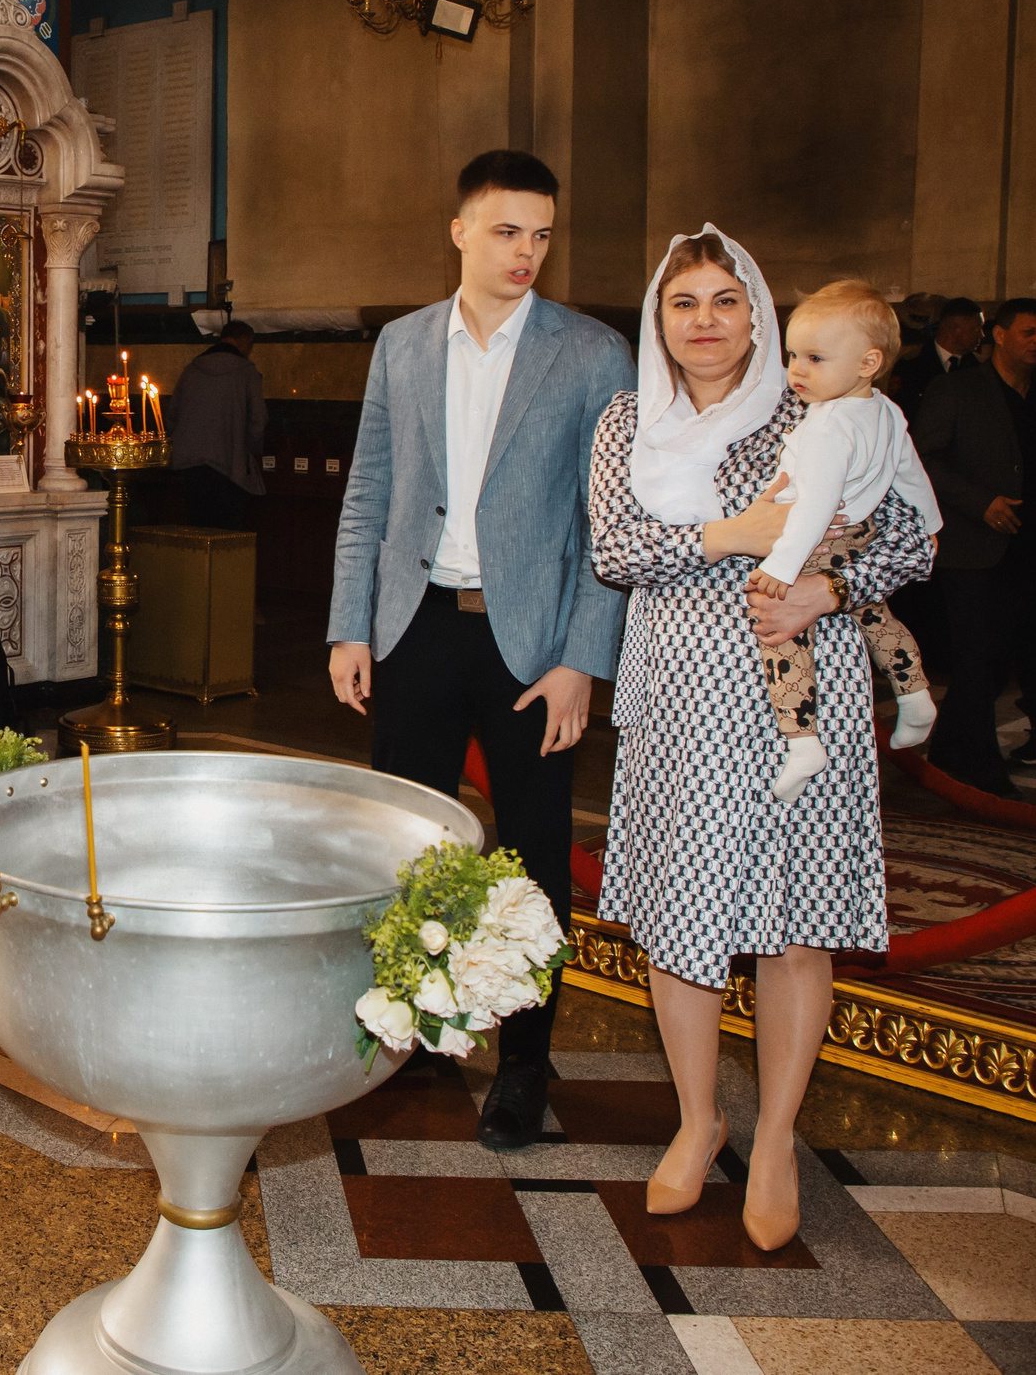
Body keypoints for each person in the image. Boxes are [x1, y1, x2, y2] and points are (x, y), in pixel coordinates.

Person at [589, 229, 936, 1253]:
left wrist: (830, 588)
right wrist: (730, 535)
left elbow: (913, 537)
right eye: (683, 301)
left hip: (800, 691)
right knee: (678, 909)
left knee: (794, 921)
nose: (704, 320)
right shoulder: (627, 419)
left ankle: (776, 1137)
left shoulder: (817, 402)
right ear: (658, 318)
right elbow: (614, 548)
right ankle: (698, 1120)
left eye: (724, 300)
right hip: (676, 690)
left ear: (758, 315)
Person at [327, 149, 633, 1151]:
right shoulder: (403, 343)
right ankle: (415, 1028)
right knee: (408, 841)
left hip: (531, 645)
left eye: (541, 234)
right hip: (414, 626)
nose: (526, 252)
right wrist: (350, 624)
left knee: (533, 855)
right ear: (460, 231)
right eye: (506, 231)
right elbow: (369, 493)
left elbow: (603, 525)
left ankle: (526, 1062)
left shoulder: (591, 353)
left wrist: (581, 660)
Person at [749, 282, 941, 801]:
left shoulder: (827, 426)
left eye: (815, 358)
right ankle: (915, 694)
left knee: (778, 630)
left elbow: (814, 507)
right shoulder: (885, 410)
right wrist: (930, 525)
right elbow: (910, 474)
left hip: (815, 542)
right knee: (874, 613)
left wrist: (783, 566)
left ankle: (801, 740)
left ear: (868, 362)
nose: (797, 370)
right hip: (860, 536)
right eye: (793, 355)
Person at [912, 300, 1036, 795]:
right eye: (1030, 332)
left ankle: (949, 753)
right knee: (977, 657)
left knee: (1001, 660)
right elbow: (923, 460)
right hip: (973, 550)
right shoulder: (958, 390)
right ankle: (981, 768)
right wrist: (981, 503)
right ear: (999, 335)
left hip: (1034, 550)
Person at [172, 321, 269, 530]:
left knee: (198, 527)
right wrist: (250, 452)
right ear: (245, 342)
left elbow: (172, 416)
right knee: (226, 531)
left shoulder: (191, 370)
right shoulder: (246, 372)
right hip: (229, 465)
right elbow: (258, 420)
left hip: (190, 465)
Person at [890, 296, 984, 419]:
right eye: (977, 328)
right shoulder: (911, 366)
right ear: (955, 329)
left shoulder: (980, 367)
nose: (982, 335)